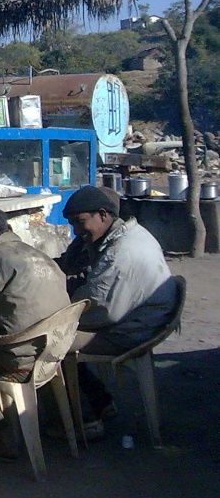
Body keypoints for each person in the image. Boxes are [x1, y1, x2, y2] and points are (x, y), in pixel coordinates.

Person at [56, 186, 179, 435]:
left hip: (133, 330)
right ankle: (101, 402)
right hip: (140, 319)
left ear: (103, 215)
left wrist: (57, 308)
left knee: (50, 342)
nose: (77, 231)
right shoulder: (124, 234)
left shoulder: (121, 252)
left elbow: (101, 310)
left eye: (80, 222)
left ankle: (83, 419)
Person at [0, 203, 70, 458]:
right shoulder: (38, 254)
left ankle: (1, 436)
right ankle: (59, 422)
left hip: (19, 359)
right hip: (56, 349)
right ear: (7, 227)